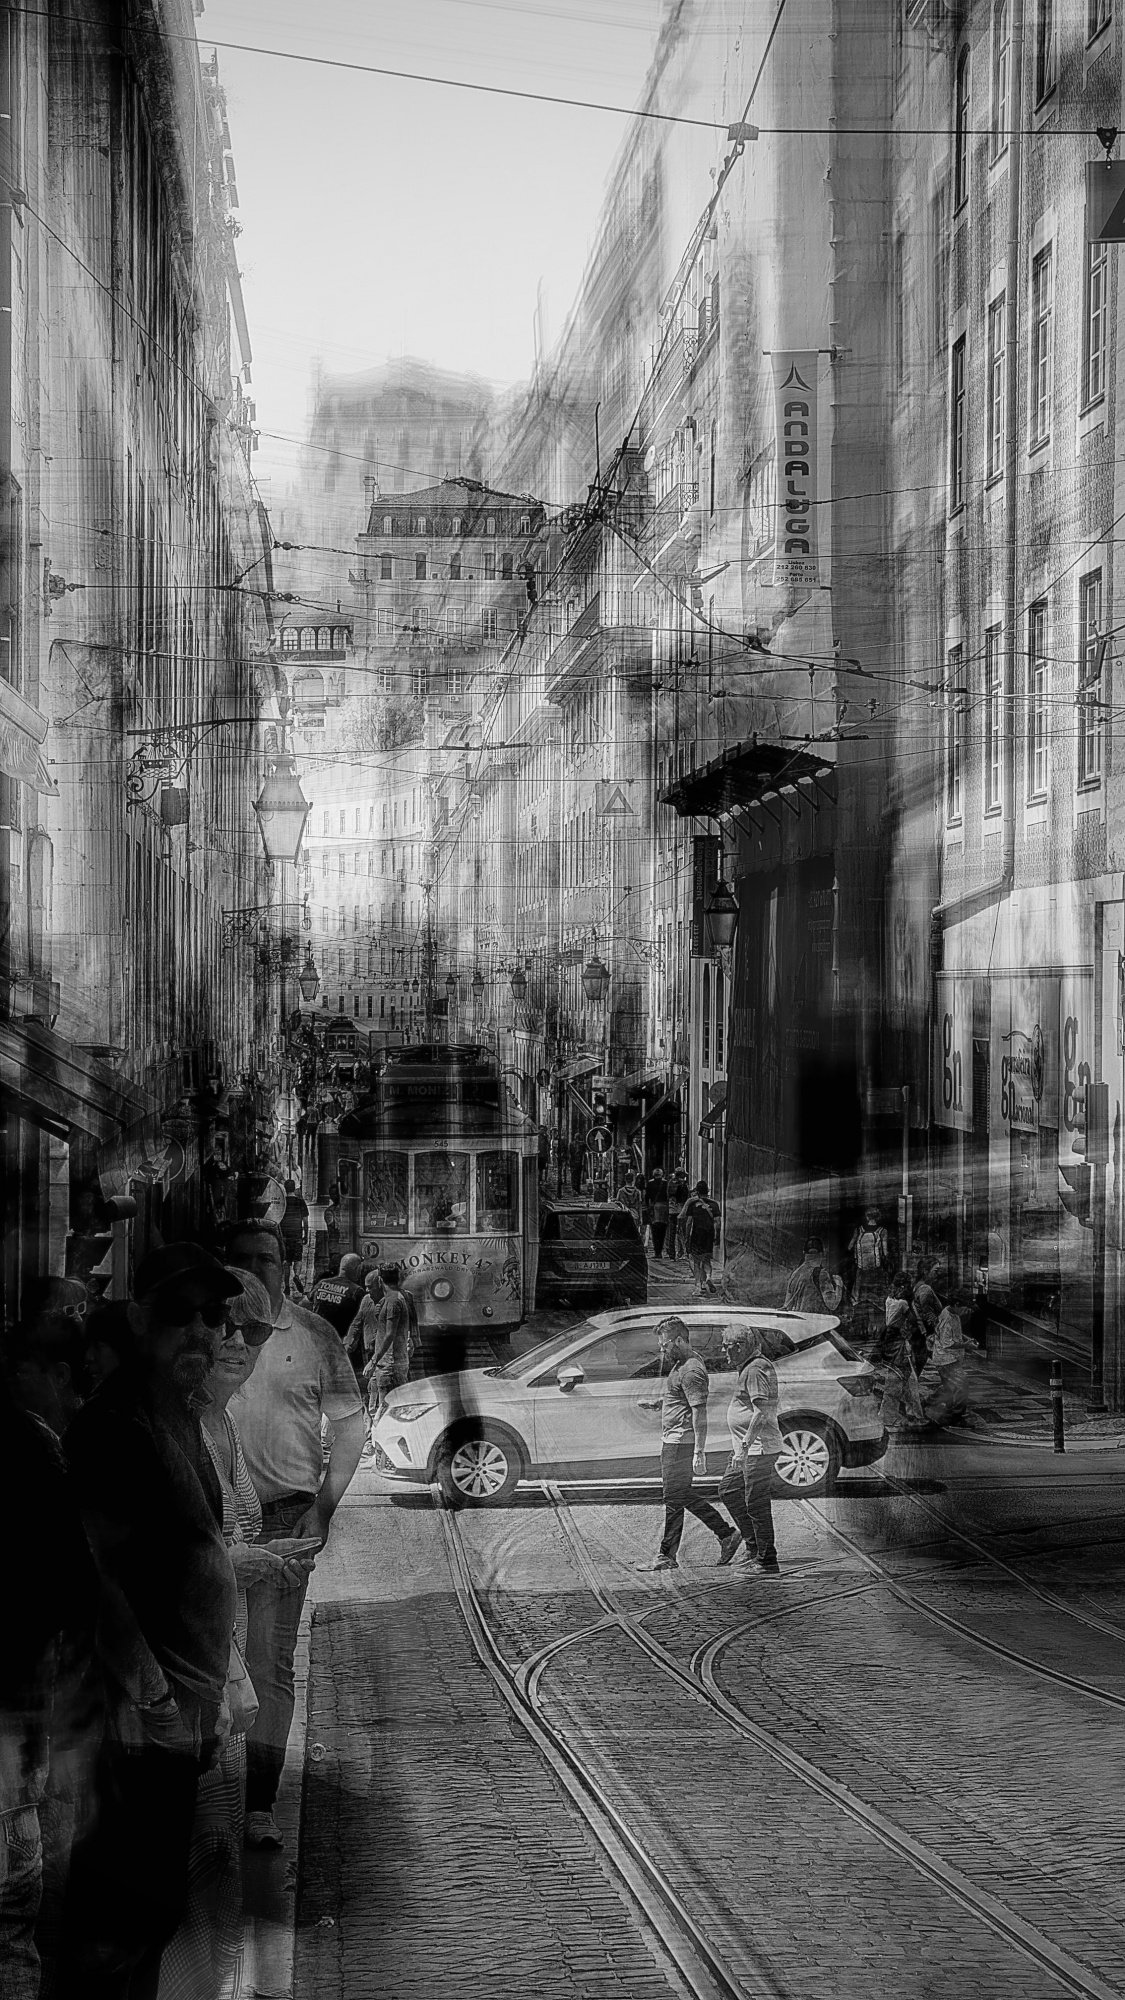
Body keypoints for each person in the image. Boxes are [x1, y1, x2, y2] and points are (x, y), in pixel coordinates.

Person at [58, 1243, 243, 2000]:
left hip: (174, 1715)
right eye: (178, 1313)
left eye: (213, 1314)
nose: (200, 1329)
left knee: (154, 1909)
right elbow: (94, 1580)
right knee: (122, 1919)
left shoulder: (177, 1413)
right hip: (131, 1723)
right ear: (139, 1320)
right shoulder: (117, 1425)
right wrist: (158, 1701)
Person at [158, 1272, 312, 2000]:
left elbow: (219, 1540)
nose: (236, 1343)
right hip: (190, 1678)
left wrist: (260, 1557)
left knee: (213, 1867)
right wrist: (240, 1562)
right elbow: (159, 1557)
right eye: (223, 1327)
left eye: (251, 1332)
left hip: (220, 1669)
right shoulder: (180, 1427)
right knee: (196, 1869)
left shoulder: (220, 1424)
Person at [219, 1220, 363, 1853]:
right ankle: (214, 1796)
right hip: (213, 1520)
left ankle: (257, 1802)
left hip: (284, 1518)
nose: (255, 1269)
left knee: (268, 1661)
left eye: (267, 1259)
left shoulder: (313, 1335)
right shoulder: (212, 1331)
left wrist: (323, 1510)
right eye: (241, 1258)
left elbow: (351, 1425)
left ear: (286, 1265)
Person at [0, 1375, 101, 2000]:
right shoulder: (28, 1442)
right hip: (16, 1759)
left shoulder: (30, 1443)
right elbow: (77, 1590)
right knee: (13, 1935)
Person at [636, 1317, 741, 1571]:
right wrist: (662, 1404)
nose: (662, 1350)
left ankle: (667, 1555)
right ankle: (726, 1534)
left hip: (680, 1443)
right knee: (680, 1495)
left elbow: (699, 1412)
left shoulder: (692, 1370)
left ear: (680, 1340)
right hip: (674, 1441)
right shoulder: (683, 1363)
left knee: (674, 1499)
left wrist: (699, 1452)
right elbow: (682, 1398)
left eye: (665, 1345)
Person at [716, 1328, 783, 1574]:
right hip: (747, 1450)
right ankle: (753, 1547)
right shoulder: (748, 1367)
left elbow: (761, 1412)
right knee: (729, 1489)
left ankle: (766, 1560)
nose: (723, 1350)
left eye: (726, 1345)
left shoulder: (755, 1369)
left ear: (740, 1346)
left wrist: (744, 1448)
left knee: (756, 1504)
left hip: (758, 1449)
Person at [870, 1275, 925, 1429]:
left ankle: (909, 1414)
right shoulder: (903, 1304)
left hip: (890, 1340)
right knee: (900, 1379)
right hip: (898, 1343)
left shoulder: (889, 1300)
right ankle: (905, 1415)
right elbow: (913, 1320)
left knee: (903, 1379)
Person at [360, 1264, 415, 1420]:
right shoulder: (392, 1299)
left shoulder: (393, 1301)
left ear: (379, 1280)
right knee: (380, 1409)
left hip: (390, 1366)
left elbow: (390, 1334)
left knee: (387, 1413)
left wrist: (373, 1361)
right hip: (388, 1364)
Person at [848, 1205, 892, 1339]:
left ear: (867, 1217)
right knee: (878, 1300)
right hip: (876, 1272)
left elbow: (849, 1247)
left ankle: (861, 1330)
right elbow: (885, 1252)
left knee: (860, 1299)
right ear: (878, 1217)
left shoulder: (859, 1230)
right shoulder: (882, 1231)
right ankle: (876, 1330)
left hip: (861, 1271)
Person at [307, 1254, 367, 1348]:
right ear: (357, 1269)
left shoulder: (322, 1283)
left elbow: (304, 1304)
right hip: (339, 1344)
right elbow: (362, 1320)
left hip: (317, 1340)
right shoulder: (356, 1291)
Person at [681, 1181, 721, 1293]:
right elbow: (718, 1222)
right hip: (709, 1234)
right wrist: (717, 1236)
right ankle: (708, 1277)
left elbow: (689, 1222)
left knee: (697, 1262)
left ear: (697, 1192)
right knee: (707, 1259)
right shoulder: (714, 1204)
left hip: (697, 1235)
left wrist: (687, 1236)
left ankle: (698, 1286)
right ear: (707, 1191)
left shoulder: (693, 1205)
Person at [784, 1237, 842, 1315]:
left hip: (797, 1320)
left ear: (804, 1253)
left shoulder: (795, 1274)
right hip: (814, 1320)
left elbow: (787, 1305)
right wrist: (839, 1285)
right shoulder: (822, 1274)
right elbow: (832, 1305)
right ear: (822, 1254)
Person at [279, 1180, 309, 1296]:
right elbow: (305, 1221)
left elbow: (277, 1219)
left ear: (285, 1188)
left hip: (285, 1236)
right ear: (294, 1188)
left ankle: (286, 1286)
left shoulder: (282, 1203)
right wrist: (305, 1235)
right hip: (297, 1235)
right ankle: (296, 1276)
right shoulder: (300, 1202)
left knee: (286, 1261)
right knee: (298, 1259)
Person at [646, 1168, 670, 1259]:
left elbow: (647, 1197)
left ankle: (657, 1251)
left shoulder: (650, 1183)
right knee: (663, 1229)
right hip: (664, 1207)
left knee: (654, 1230)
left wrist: (648, 1207)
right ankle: (660, 1249)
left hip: (654, 1207)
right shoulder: (666, 1183)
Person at [666, 1168, 690, 1261]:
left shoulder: (670, 1182)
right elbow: (685, 1197)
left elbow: (668, 1195)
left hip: (671, 1210)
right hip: (681, 1210)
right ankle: (683, 1252)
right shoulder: (683, 1184)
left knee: (672, 1232)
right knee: (683, 1232)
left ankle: (672, 1254)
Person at [568, 1131, 585, 1196]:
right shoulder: (582, 1144)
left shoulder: (572, 1144)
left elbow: (570, 1153)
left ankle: (574, 1189)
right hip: (579, 1162)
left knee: (573, 1176)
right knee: (578, 1177)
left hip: (573, 1162)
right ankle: (577, 1190)